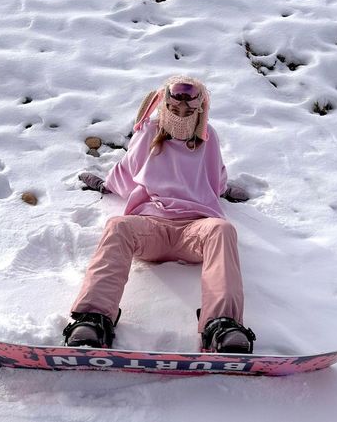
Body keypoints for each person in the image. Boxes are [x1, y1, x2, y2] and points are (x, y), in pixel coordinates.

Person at [62, 75, 256, 353]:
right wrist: (105, 185)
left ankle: (222, 325)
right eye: (175, 109)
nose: (181, 115)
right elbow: (128, 171)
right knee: (118, 225)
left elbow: (215, 175)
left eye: (189, 111)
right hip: (150, 226)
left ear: (200, 109)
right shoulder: (149, 133)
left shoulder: (207, 138)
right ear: (164, 105)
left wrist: (224, 190)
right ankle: (94, 319)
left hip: (195, 230)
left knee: (222, 230)